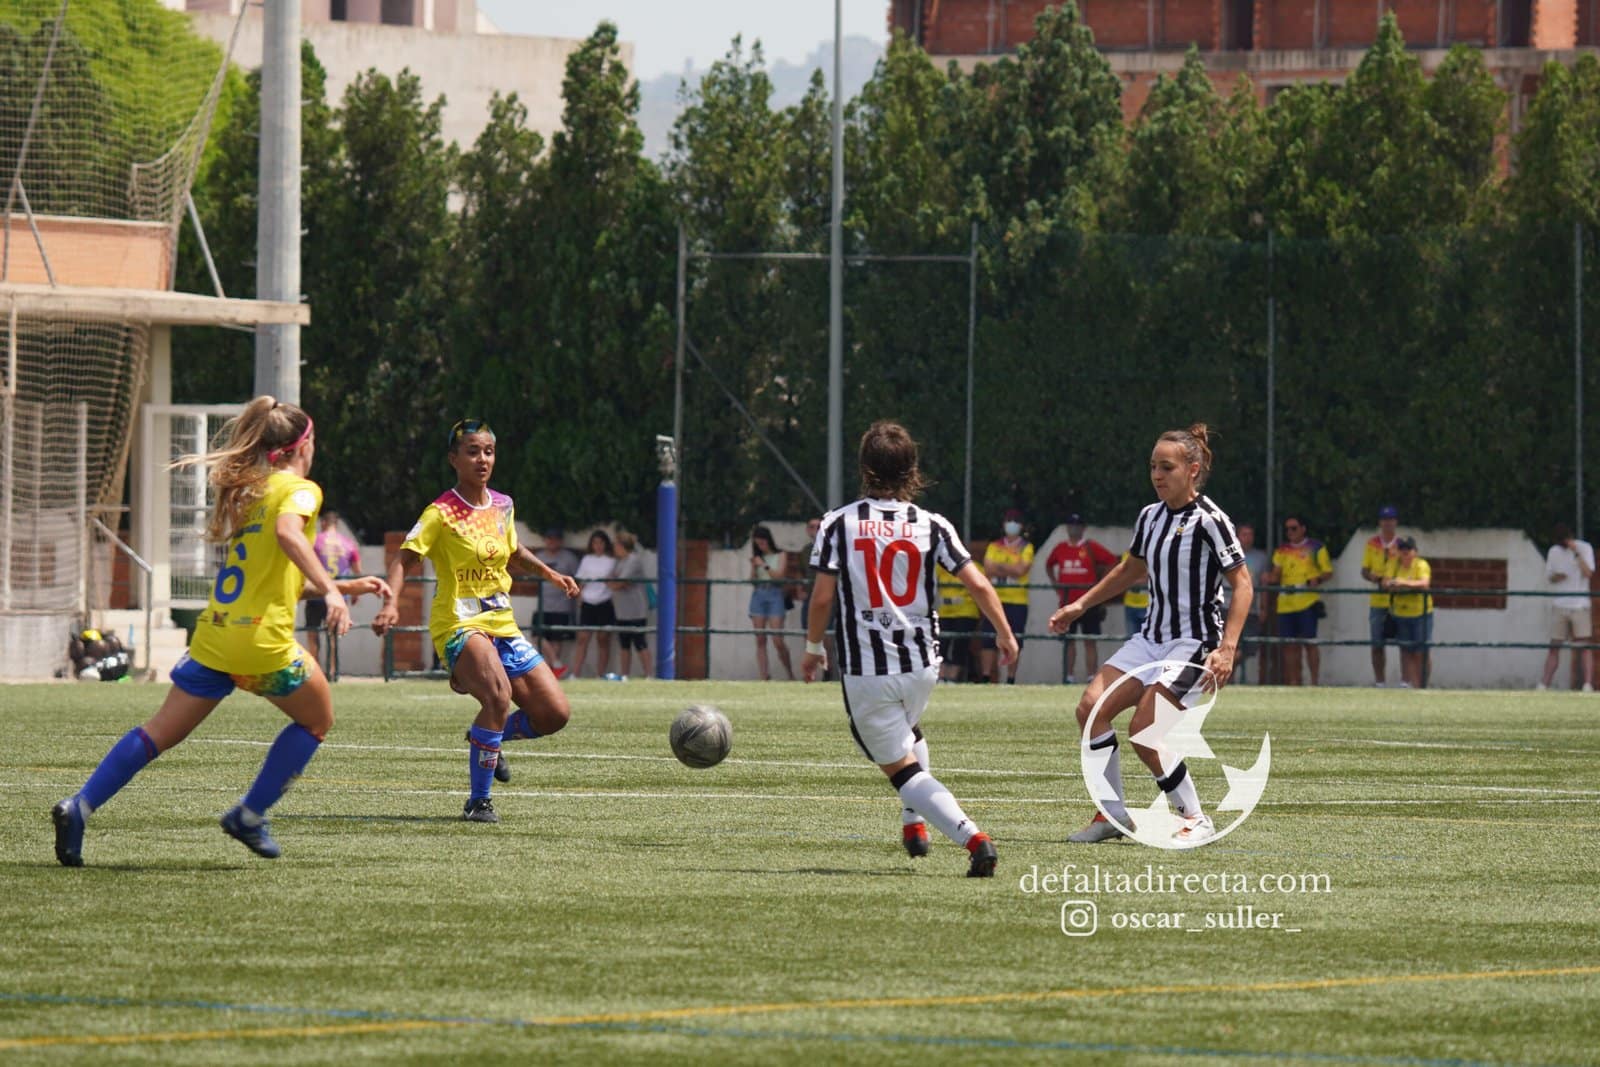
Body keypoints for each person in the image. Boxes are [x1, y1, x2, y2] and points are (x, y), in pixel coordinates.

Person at [52, 397, 392, 866]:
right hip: (260, 644)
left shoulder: (249, 495)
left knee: (156, 734)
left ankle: (80, 806)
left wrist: (339, 585)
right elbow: (290, 537)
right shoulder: (300, 489)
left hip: (215, 637)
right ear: (302, 445)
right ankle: (249, 815)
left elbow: (270, 581)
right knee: (316, 721)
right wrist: (334, 596)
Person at [801, 421, 1017, 876]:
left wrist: (812, 645)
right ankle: (912, 825)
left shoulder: (838, 523)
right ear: (912, 470)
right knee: (910, 732)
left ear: (864, 468)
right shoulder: (932, 524)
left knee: (899, 766)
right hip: (923, 664)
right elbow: (977, 582)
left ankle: (973, 838)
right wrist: (1005, 633)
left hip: (868, 670)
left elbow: (822, 597)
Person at [1049, 423, 1250, 845]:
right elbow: (1132, 569)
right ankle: (1111, 814)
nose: (1157, 475)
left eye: (1167, 467)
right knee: (1090, 710)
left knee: (1145, 728)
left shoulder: (1211, 521)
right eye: (1153, 467)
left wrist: (1227, 648)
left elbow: (1243, 584)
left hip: (1193, 641)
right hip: (1151, 637)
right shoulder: (1149, 517)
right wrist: (1081, 604)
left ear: (1193, 469)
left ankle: (1195, 816)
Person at [372, 419, 577, 822]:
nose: (482, 459)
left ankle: (488, 738)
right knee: (498, 697)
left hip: (501, 622)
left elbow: (514, 552)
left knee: (554, 715)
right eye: (472, 451)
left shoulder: (503, 505)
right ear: (454, 459)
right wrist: (390, 603)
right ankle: (478, 802)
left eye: (488, 451)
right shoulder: (441, 512)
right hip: (459, 623)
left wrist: (550, 573)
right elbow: (405, 557)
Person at [1044, 514, 1117, 683]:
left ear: (1083, 528)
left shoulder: (1090, 547)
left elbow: (1112, 561)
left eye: (1077, 525)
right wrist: (1056, 584)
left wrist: (1101, 584)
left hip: (1088, 602)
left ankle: (1091, 677)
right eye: (1071, 525)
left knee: (1089, 641)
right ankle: (1068, 677)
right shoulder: (1060, 547)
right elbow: (1049, 564)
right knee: (1068, 641)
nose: (1073, 528)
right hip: (1067, 603)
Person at [1266, 515, 1332, 686]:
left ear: (1303, 528)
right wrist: (1270, 577)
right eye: (1287, 529)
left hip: (1307, 602)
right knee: (1289, 646)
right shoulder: (1281, 550)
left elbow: (1328, 572)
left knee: (1310, 643)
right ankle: (1294, 682)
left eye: (1294, 528)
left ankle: (1315, 683)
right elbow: (1276, 573)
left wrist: (1317, 579)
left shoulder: (1316, 547)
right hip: (1285, 604)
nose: (1290, 532)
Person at [1540, 522, 1595, 692]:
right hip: (1560, 604)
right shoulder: (1553, 552)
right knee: (1554, 645)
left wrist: (1576, 554)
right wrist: (1559, 576)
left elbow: (1589, 573)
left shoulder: (1585, 548)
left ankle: (1587, 684)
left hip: (1580, 605)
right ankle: (1544, 684)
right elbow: (1549, 577)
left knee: (1584, 645)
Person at [980, 508, 1033, 684]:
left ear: (1021, 525)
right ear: (1003, 524)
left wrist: (999, 566)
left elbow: (1021, 570)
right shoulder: (994, 546)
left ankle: (1010, 679)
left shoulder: (1027, 547)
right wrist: (1010, 567)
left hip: (1017, 601)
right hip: (994, 600)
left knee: (1015, 638)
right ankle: (986, 677)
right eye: (1009, 520)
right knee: (988, 638)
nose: (1012, 524)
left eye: (1015, 521)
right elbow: (988, 568)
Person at [304, 509, 361, 667]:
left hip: (316, 594)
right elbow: (357, 571)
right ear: (337, 524)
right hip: (339, 596)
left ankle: (314, 670)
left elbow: (305, 563)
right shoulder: (348, 543)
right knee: (334, 636)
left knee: (312, 634)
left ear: (323, 523)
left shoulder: (315, 540)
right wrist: (356, 593)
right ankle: (333, 670)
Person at [1382, 536, 1433, 689]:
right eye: (1402, 549)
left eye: (1408, 549)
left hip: (1420, 614)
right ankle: (1410, 684)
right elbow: (1385, 582)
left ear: (1415, 552)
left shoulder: (1421, 564)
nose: (1404, 552)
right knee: (1406, 651)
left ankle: (1422, 685)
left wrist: (1403, 583)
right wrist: (1393, 584)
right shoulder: (1393, 564)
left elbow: (1424, 583)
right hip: (1400, 614)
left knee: (1421, 652)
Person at [1360, 505, 1402, 687]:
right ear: (1380, 523)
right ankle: (1380, 683)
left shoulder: (1402, 544)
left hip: (1398, 600)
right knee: (1377, 643)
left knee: (1405, 643)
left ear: (1396, 522)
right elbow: (1364, 570)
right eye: (1384, 520)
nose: (1387, 523)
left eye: (1391, 520)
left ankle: (1406, 681)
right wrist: (1374, 577)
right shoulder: (1371, 544)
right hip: (1377, 600)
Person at [748, 525, 795, 681]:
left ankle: (790, 673)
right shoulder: (757, 557)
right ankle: (764, 676)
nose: (760, 545)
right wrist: (754, 568)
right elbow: (752, 581)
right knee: (760, 639)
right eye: (757, 543)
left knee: (777, 639)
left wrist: (764, 565)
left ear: (768, 540)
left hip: (775, 594)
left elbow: (779, 576)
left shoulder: (781, 555)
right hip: (759, 594)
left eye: (762, 542)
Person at [532, 528, 579, 679]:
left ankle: (553, 671)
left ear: (560, 541)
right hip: (543, 604)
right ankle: (557, 664)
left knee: (557, 640)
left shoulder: (569, 558)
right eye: (549, 538)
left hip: (562, 605)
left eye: (555, 539)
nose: (552, 542)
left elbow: (578, 578)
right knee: (537, 635)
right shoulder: (539, 556)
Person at [571, 530, 617, 679]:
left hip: (604, 602)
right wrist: (579, 598)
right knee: (583, 638)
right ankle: (575, 674)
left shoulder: (612, 561)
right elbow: (581, 580)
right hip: (588, 602)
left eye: (601, 543)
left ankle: (600, 674)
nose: (598, 546)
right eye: (595, 542)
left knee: (603, 639)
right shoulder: (587, 560)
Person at [609, 530, 652, 679]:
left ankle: (649, 675)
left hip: (636, 610)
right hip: (621, 610)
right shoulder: (618, 562)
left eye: (616, 545)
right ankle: (625, 675)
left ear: (622, 546)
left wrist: (618, 583)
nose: (614, 548)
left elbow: (619, 582)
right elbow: (610, 580)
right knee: (624, 644)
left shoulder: (633, 560)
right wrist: (617, 583)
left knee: (640, 643)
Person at [1230, 523, 1269, 684]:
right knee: (1228, 645)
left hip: (1250, 610)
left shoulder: (1261, 558)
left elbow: (1265, 585)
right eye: (1244, 534)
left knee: (1250, 646)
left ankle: (1226, 670)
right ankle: (1227, 679)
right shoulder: (1226, 554)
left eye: (1250, 534)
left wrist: (1264, 608)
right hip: (1227, 607)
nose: (1248, 538)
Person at [936, 564, 980, 683]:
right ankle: (941, 677)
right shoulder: (940, 567)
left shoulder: (974, 567)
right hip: (944, 613)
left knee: (960, 646)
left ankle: (952, 679)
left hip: (966, 612)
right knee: (942, 645)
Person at [1119, 550, 1149, 637]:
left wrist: (1131, 579)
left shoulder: (1152, 553)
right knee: (1131, 641)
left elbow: (1149, 577)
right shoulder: (1127, 554)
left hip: (1149, 606)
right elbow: (1123, 577)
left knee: (1151, 642)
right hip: (1130, 605)